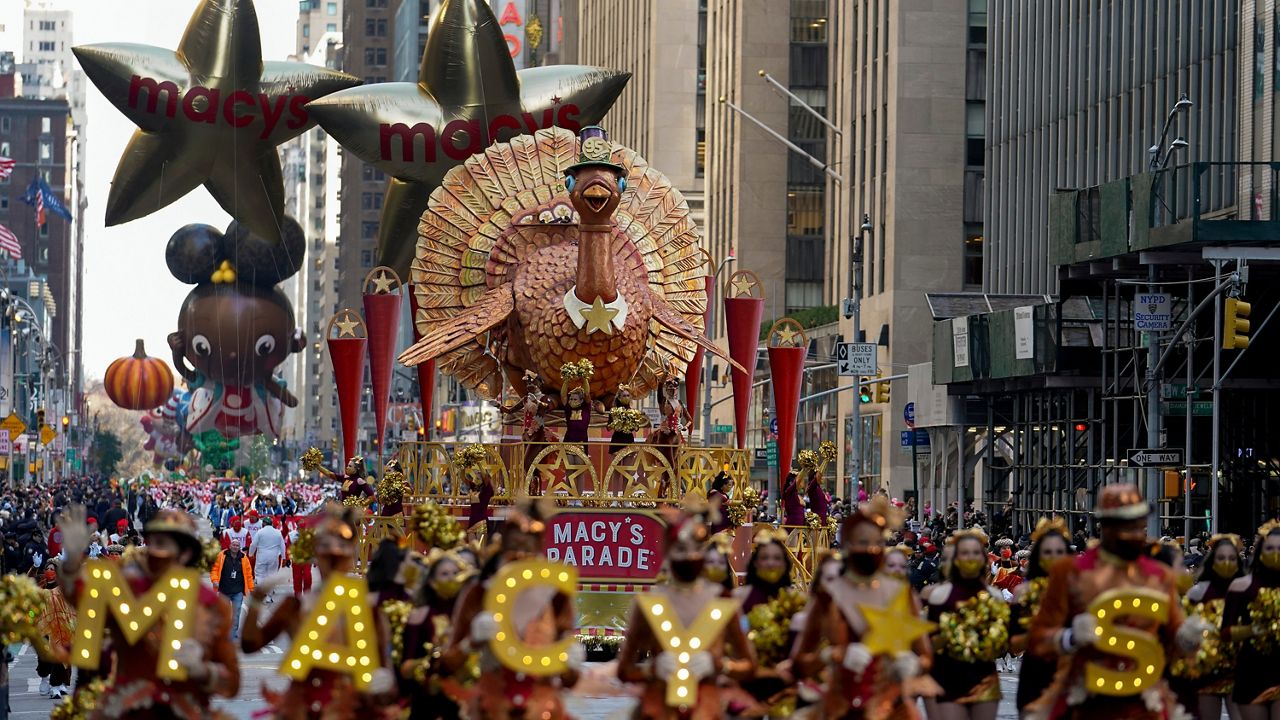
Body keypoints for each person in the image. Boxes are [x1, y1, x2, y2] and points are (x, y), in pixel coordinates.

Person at [1028, 484, 1203, 719]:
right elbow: (1038, 639)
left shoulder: (1159, 576)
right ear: (1106, 525)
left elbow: (1173, 636)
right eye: (1125, 525)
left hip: (1145, 702)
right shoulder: (1070, 572)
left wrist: (1187, 638)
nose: (1134, 533)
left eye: (1138, 525)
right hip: (1087, 701)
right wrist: (1069, 637)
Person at [56, 506, 240, 719]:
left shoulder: (211, 605)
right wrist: (71, 562)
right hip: (127, 711)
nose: (151, 552)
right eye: (151, 542)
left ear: (185, 553)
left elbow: (232, 682)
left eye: (161, 544)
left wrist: (203, 670)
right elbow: (82, 599)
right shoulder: (127, 587)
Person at [240, 504, 396, 719]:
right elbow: (250, 645)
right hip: (304, 708)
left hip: (353, 708)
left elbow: (384, 671)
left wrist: (383, 683)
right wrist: (257, 600)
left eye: (341, 549)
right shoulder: (294, 606)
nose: (333, 555)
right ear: (315, 555)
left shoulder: (369, 607)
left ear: (351, 554)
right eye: (325, 549)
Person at [792, 496, 932, 718]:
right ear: (847, 545)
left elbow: (925, 656)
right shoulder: (829, 594)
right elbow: (800, 661)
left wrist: (912, 665)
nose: (870, 550)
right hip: (840, 704)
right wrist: (832, 656)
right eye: (862, 543)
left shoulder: (900, 593)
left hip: (889, 705)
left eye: (876, 543)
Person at [443, 499, 582, 719]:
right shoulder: (480, 593)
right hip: (492, 706)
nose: (521, 556)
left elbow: (570, 680)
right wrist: (471, 642)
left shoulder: (555, 596)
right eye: (515, 547)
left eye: (528, 548)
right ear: (503, 547)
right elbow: (447, 665)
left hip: (542, 708)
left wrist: (570, 662)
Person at [617, 504, 756, 719]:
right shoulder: (651, 600)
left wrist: (719, 665)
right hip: (658, 708)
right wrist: (651, 670)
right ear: (669, 552)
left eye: (695, 549)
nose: (689, 556)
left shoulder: (721, 598)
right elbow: (624, 670)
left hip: (706, 708)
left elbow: (749, 665)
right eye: (681, 549)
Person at [925, 527, 1006, 719]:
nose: (971, 557)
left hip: (984, 678)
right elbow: (930, 645)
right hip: (949, 678)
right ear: (956, 558)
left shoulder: (995, 596)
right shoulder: (939, 596)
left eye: (976, 553)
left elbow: (1003, 643)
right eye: (965, 553)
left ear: (984, 558)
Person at [397, 550, 470, 720]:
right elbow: (405, 666)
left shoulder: (470, 616)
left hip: (465, 696)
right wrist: (429, 663)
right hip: (427, 697)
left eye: (456, 573)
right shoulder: (419, 616)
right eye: (444, 574)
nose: (451, 578)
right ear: (431, 581)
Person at [1009, 517, 1070, 717]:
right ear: (1038, 556)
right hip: (1035, 675)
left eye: (1059, 552)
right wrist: (1037, 634)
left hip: (1070, 677)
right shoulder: (1023, 593)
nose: (1053, 557)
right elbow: (1013, 644)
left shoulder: (1079, 591)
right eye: (1047, 552)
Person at [1181, 533, 1243, 720]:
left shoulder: (1245, 589)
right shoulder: (1198, 593)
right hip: (1206, 670)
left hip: (1239, 669)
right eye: (1221, 558)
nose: (1226, 563)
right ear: (1212, 561)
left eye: (1232, 558)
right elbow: (1185, 631)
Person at [1223, 521, 1280, 719]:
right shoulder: (1240, 586)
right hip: (1251, 673)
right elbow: (1225, 632)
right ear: (1260, 551)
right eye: (1270, 548)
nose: (1275, 553)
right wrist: (1251, 630)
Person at [733, 527, 796, 613]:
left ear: (785, 564)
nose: (770, 563)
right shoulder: (738, 596)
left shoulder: (795, 599)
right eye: (764, 558)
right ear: (755, 562)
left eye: (777, 558)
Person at [211, 536, 255, 640]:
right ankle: (222, 631)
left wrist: (251, 589)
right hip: (224, 589)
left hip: (237, 591)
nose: (235, 547)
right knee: (223, 613)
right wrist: (215, 580)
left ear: (240, 547)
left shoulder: (244, 558)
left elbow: (249, 575)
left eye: (237, 545)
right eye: (233, 545)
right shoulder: (222, 556)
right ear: (230, 546)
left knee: (236, 613)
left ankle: (232, 634)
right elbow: (214, 569)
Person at [251, 516, 286, 602]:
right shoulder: (278, 532)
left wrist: (251, 553)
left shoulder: (260, 532)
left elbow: (253, 544)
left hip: (262, 556)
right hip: (274, 556)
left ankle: (261, 595)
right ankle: (269, 597)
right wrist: (284, 557)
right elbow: (283, 546)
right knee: (271, 576)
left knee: (259, 575)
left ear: (264, 523)